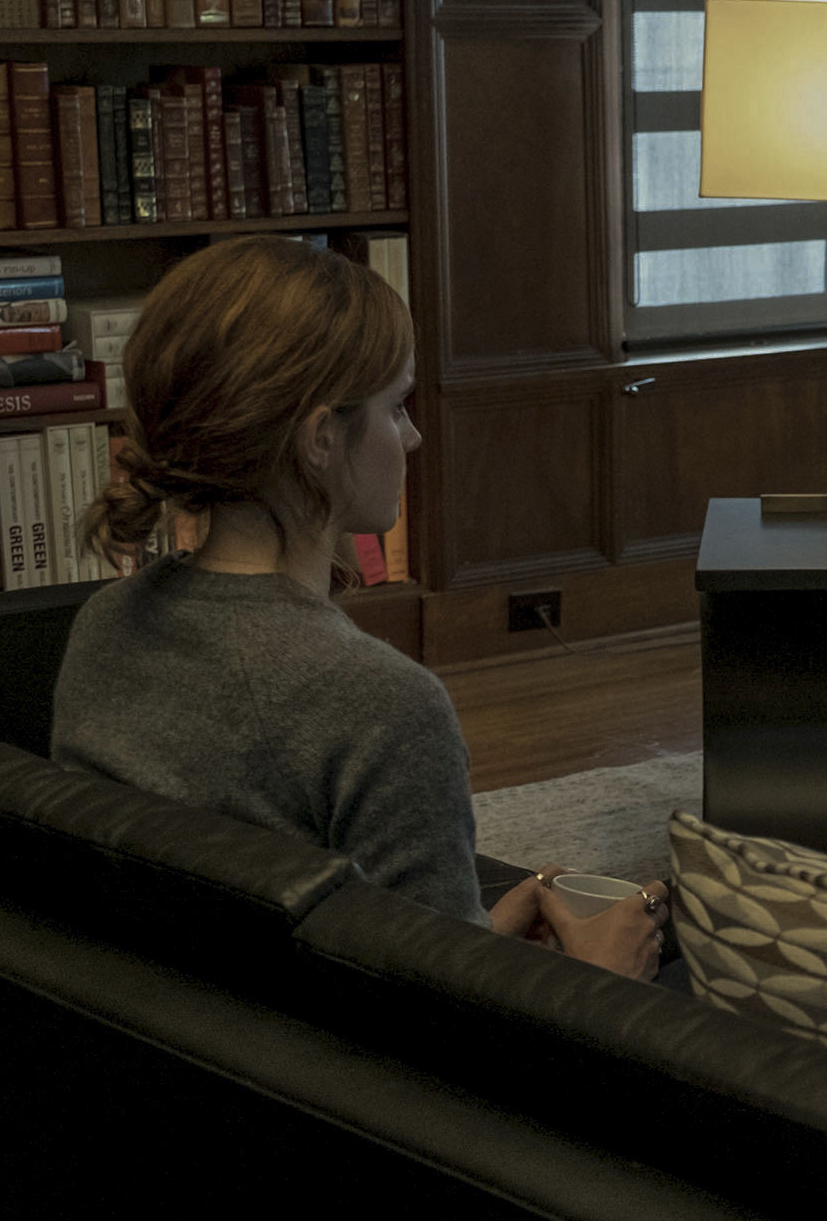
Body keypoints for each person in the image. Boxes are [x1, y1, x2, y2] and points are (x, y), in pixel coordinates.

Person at [52, 235, 664, 981]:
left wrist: (471, 935)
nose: (414, 435)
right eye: (396, 406)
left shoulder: (105, 625)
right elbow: (449, 1018)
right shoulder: (383, 706)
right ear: (319, 438)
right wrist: (604, 979)